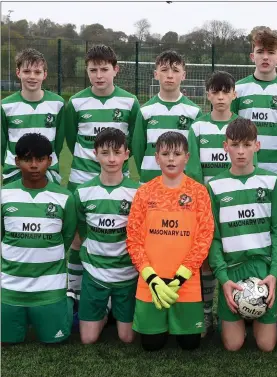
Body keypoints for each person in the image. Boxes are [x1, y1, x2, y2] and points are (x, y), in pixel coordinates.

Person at [65, 44, 140, 315]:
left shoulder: (130, 102)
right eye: (93, 69)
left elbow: (132, 140)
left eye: (104, 69)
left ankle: (116, 292)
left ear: (115, 70)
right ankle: (75, 291)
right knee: (78, 239)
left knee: (118, 236)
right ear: (87, 71)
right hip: (81, 180)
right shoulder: (75, 102)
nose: (99, 75)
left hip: (118, 181)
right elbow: (71, 138)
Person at [126, 131, 214, 351]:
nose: (171, 159)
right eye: (165, 153)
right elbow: (133, 238)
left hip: (186, 281)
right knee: (152, 345)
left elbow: (204, 237)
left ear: (187, 157)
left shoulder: (199, 192)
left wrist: (182, 275)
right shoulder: (144, 192)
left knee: (190, 344)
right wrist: (151, 277)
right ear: (157, 158)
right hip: (150, 282)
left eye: (177, 153)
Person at [208, 118, 277, 352]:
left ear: (257, 146)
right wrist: (223, 279)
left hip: (262, 270)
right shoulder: (215, 186)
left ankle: (253, 317)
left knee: (267, 345)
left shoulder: (272, 182)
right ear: (225, 146)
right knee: (233, 345)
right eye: (235, 145)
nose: (241, 151)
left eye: (247, 145)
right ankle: (233, 320)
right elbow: (213, 238)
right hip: (232, 270)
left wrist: (273, 274)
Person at [1, 133, 76, 344]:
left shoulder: (64, 198)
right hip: (10, 287)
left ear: (49, 161)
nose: (34, 165)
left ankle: (68, 299)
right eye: (27, 159)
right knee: (7, 341)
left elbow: (66, 237)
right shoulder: (4, 195)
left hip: (49, 287)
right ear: (17, 162)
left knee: (55, 341)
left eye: (40, 159)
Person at [185, 70, 238, 336]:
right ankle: (206, 313)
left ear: (234, 94)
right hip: (206, 205)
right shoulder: (197, 127)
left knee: (233, 255)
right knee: (205, 260)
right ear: (208, 95)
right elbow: (193, 171)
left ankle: (239, 308)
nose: (220, 97)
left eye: (225, 92)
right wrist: (201, 203)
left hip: (233, 205)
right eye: (215, 92)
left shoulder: (241, 125)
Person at [74, 128, 139, 344]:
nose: (111, 158)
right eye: (105, 152)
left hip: (127, 274)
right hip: (95, 272)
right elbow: (80, 230)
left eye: (117, 152)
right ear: (95, 154)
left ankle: (114, 309)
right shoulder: (83, 192)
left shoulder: (138, 192)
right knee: (88, 339)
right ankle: (104, 310)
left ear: (126, 154)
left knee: (127, 337)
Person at [231, 27, 277, 188]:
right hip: (243, 164)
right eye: (260, 51)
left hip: (275, 165)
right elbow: (232, 128)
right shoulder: (238, 89)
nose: (265, 57)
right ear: (252, 56)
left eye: (271, 52)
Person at [132, 50, 202, 185]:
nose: (170, 75)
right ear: (156, 74)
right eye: (164, 70)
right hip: (149, 182)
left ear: (183, 75)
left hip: (182, 184)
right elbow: (138, 149)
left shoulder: (194, 112)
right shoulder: (145, 111)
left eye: (175, 70)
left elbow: (194, 153)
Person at [1, 48, 65, 185]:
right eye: (26, 71)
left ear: (45, 74)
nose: (32, 76)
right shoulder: (6, 105)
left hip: (47, 173)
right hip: (15, 174)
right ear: (18, 73)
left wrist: (44, 161)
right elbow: (2, 144)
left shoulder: (57, 103)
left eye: (37, 72)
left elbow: (58, 143)